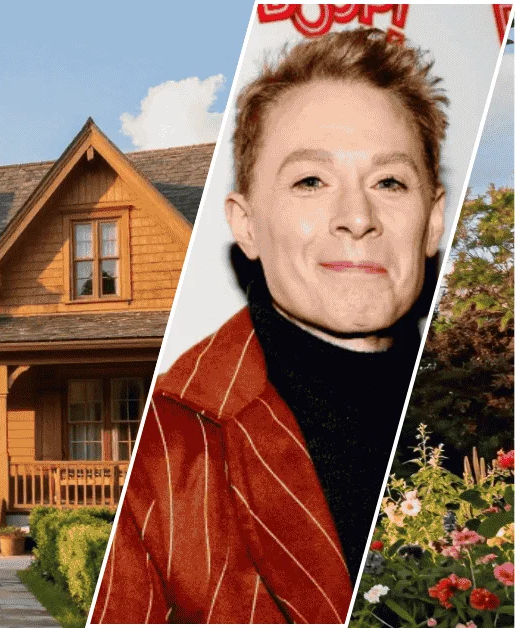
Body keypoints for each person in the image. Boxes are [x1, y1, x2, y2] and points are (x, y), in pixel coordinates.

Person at [90, 28, 446, 624]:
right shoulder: (167, 448)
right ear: (247, 224)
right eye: (310, 181)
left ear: (432, 220)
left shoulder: (481, 416)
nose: (357, 218)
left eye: (390, 182)